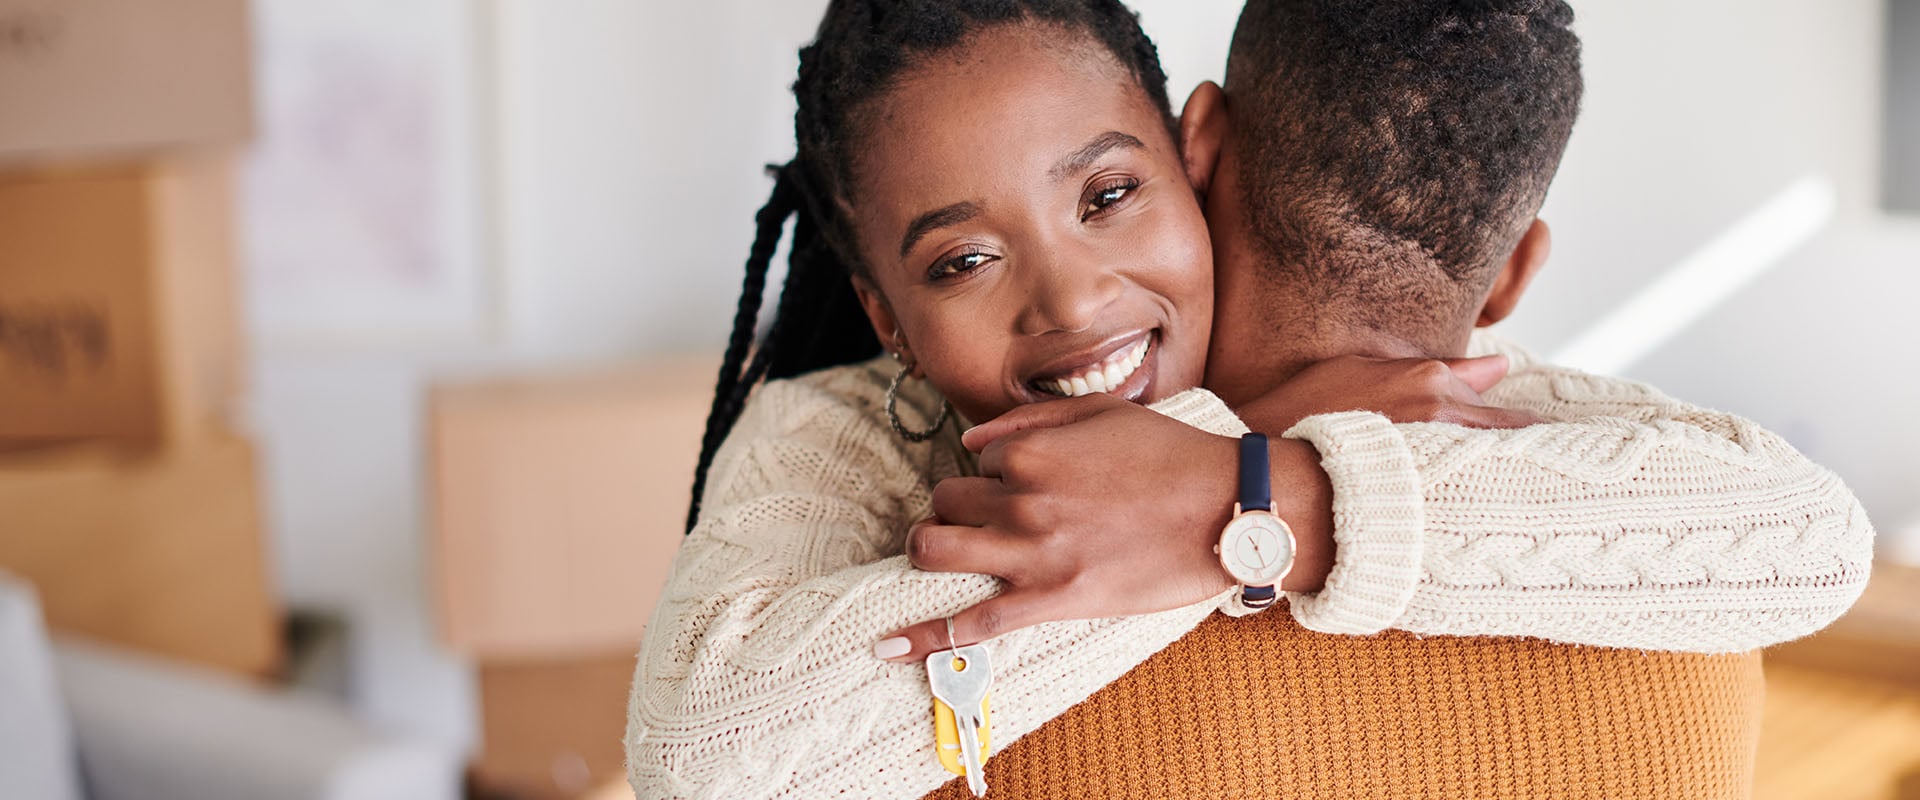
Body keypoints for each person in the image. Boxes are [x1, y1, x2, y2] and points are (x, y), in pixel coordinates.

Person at [626, 1, 1872, 798]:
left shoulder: (1435, 404)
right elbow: (702, 759)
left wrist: (1265, 493)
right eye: (961, 258)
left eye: (1106, 195)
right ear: (886, 311)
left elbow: (1810, 542)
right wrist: (1224, 467)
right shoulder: (840, 434)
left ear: (1189, 156)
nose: (1070, 300)